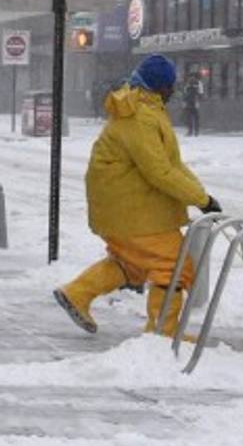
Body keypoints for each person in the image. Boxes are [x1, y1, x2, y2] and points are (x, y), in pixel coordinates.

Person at [53, 54, 222, 339]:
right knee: (174, 266)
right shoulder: (141, 117)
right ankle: (163, 333)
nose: (174, 91)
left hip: (122, 208)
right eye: (171, 86)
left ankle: (77, 294)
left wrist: (202, 196)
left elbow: (172, 164)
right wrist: (201, 201)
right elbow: (159, 172)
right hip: (130, 210)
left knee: (130, 264)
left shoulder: (143, 110)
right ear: (159, 86)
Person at [182, 72, 203, 137]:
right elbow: (201, 92)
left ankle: (190, 131)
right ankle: (196, 132)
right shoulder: (199, 83)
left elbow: (185, 93)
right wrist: (199, 100)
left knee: (189, 117)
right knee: (196, 117)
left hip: (189, 102)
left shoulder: (187, 83)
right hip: (195, 102)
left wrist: (184, 102)